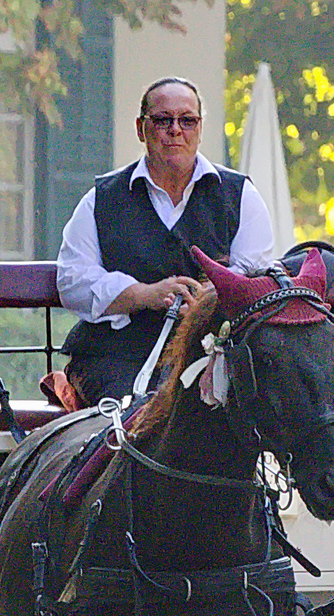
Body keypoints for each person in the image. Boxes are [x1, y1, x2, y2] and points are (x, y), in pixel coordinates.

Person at [55, 76, 275, 406]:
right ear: (141, 128)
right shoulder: (101, 199)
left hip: (211, 359)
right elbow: (71, 281)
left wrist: (206, 303)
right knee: (131, 419)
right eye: (162, 120)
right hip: (113, 360)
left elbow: (255, 278)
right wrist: (144, 295)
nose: (175, 129)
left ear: (199, 129)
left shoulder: (241, 196)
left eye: (187, 120)